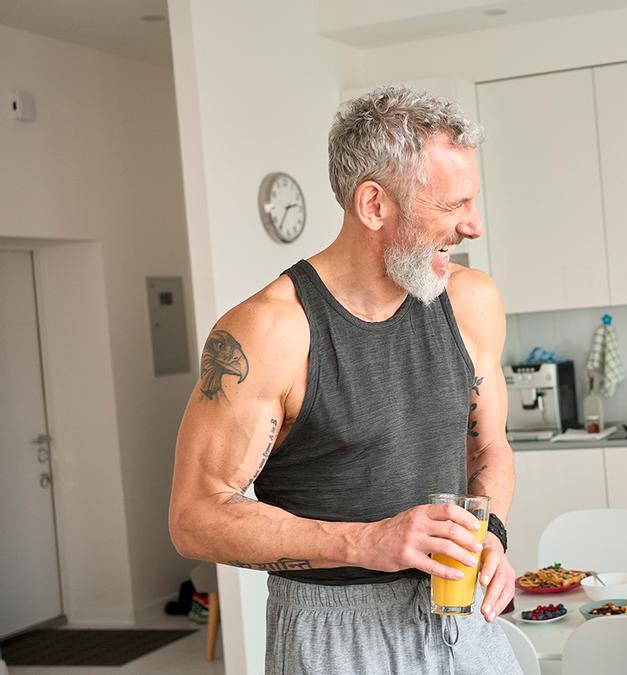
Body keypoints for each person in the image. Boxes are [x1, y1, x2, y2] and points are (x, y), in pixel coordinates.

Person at [168, 86, 521, 674]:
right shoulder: (270, 331)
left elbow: (489, 446)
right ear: (374, 205)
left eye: (473, 202)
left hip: (463, 623)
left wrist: (491, 536)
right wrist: (367, 541)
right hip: (333, 634)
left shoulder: (471, 302)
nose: (474, 226)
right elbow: (194, 519)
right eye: (451, 206)